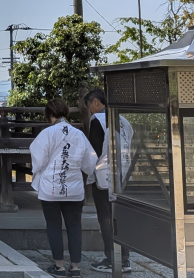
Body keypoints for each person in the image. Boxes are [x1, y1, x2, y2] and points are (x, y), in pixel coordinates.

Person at [30, 98, 97, 278]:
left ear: (50, 114)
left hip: (50, 188)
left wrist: (41, 172)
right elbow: (90, 163)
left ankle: (59, 266)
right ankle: (75, 267)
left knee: (53, 225)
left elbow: (37, 160)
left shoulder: (47, 133)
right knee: (75, 226)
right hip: (74, 188)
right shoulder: (79, 134)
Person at [84, 87, 133, 274]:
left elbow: (93, 151)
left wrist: (86, 171)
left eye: (90, 106)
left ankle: (111, 258)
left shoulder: (98, 120)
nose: (90, 110)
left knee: (105, 217)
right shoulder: (123, 120)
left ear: (96, 102)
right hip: (124, 173)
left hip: (104, 175)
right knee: (120, 216)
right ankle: (125, 257)